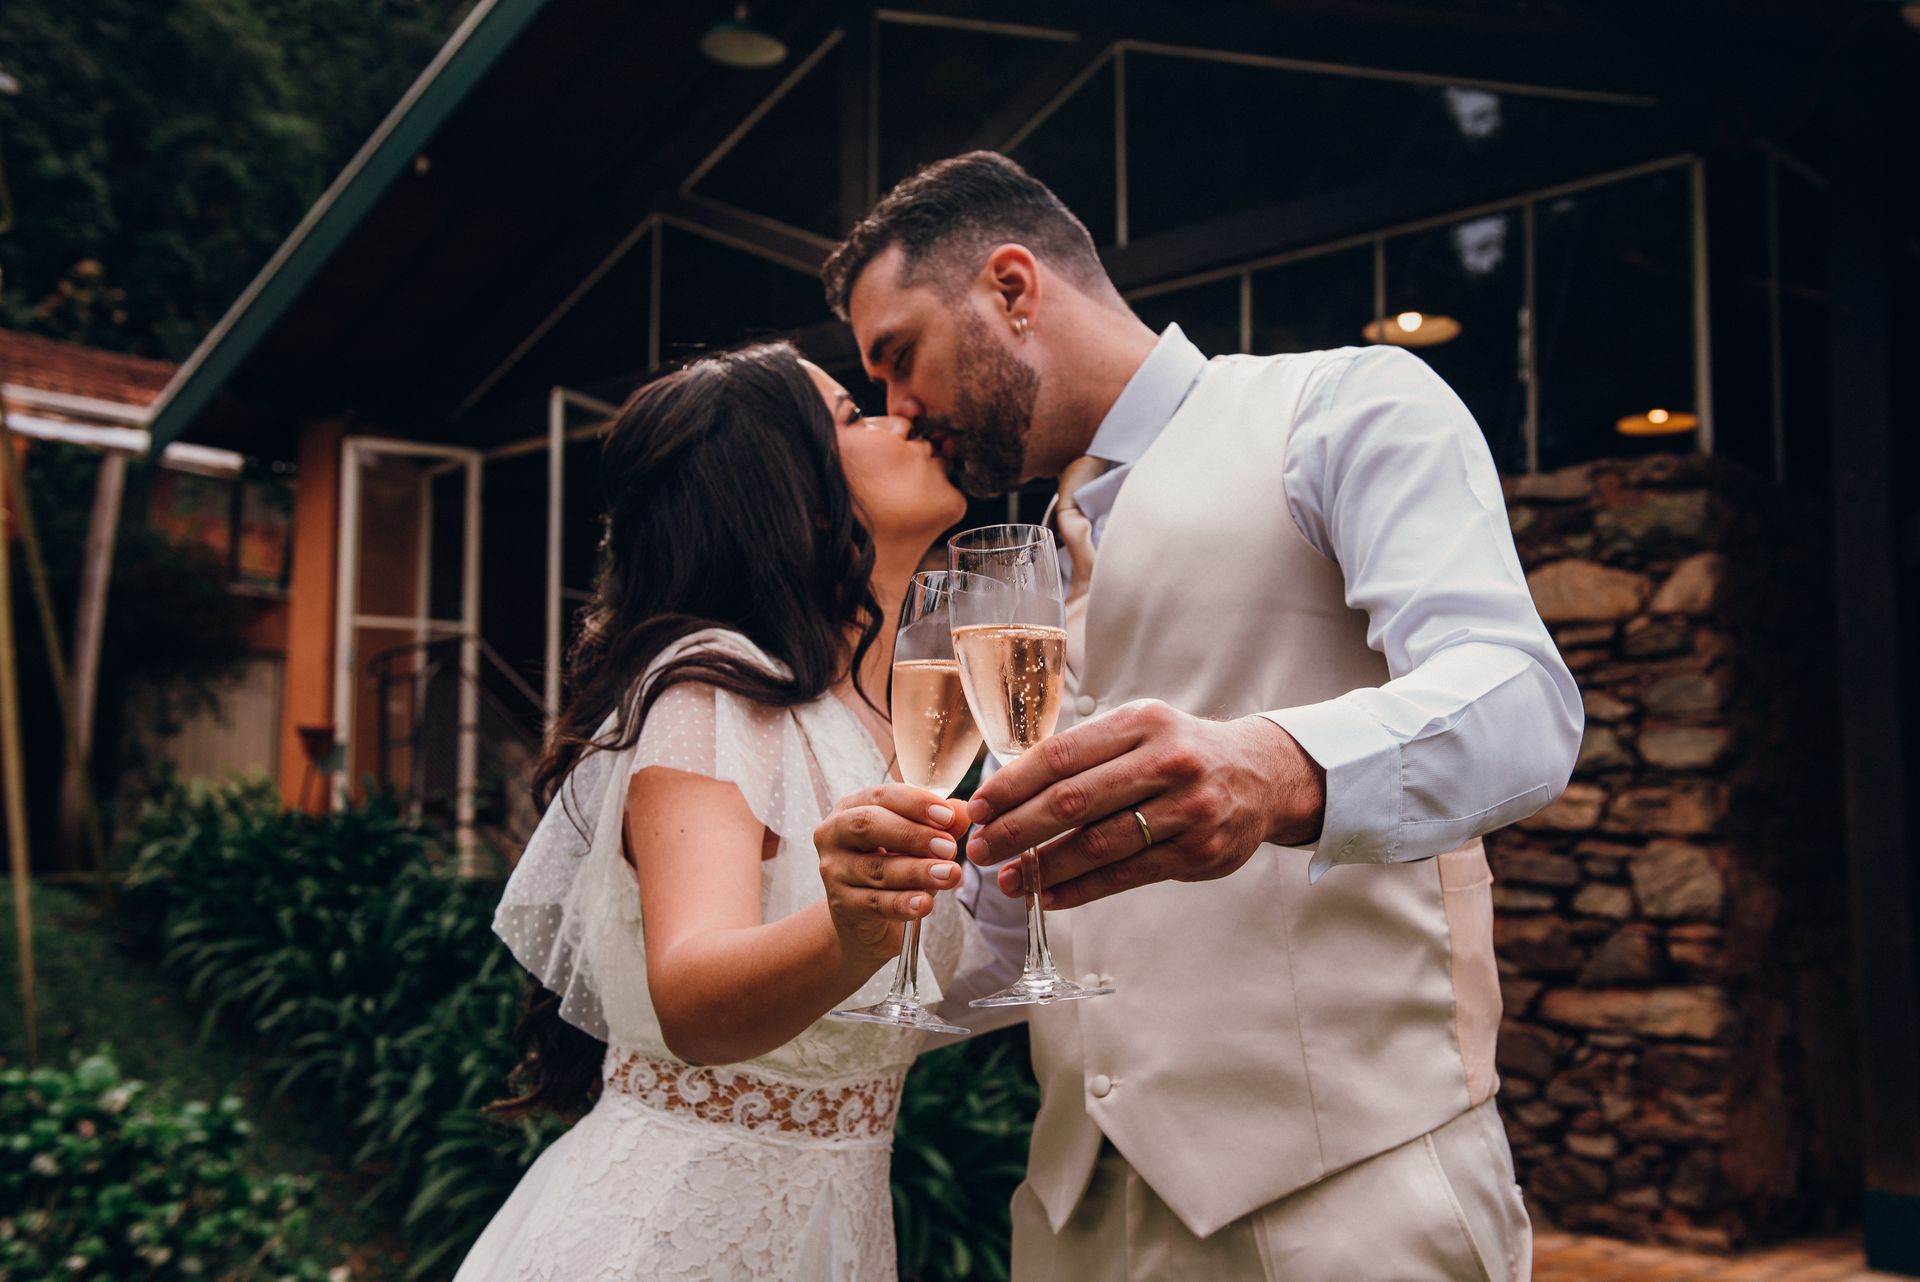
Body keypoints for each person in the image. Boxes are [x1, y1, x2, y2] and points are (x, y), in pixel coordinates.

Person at [822, 152, 1583, 1281]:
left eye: (900, 357)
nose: (897, 410)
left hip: (1354, 1210)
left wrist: (1277, 768)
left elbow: (1523, 700)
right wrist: (901, 902)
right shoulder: (1021, 561)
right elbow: (1020, 933)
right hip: (1076, 1217)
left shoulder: (1341, 407)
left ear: (1013, 288)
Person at [452, 341, 1003, 1281]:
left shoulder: (882, 716)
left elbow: (926, 982)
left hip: (831, 1236)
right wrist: (851, 925)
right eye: (850, 413)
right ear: (787, 487)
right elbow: (695, 1000)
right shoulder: (709, 697)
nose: (899, 414)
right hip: (671, 1242)